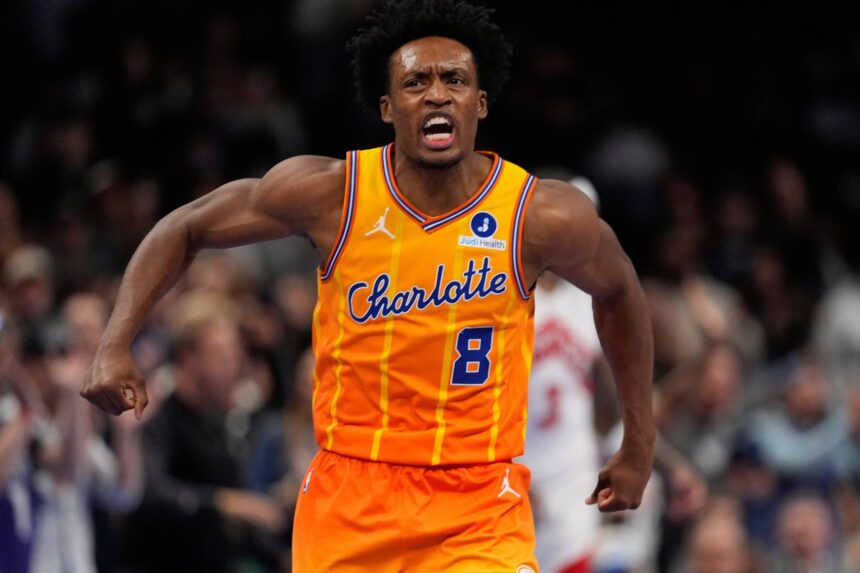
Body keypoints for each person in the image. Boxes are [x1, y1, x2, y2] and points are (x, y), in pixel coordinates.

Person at [80, 1, 655, 570]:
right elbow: (186, 226)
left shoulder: (539, 215)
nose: (436, 93)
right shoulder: (334, 195)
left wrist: (638, 440)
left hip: (477, 499)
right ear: (387, 106)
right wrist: (114, 342)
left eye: (454, 79)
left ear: (480, 103)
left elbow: (620, 290)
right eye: (415, 81)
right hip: (349, 493)